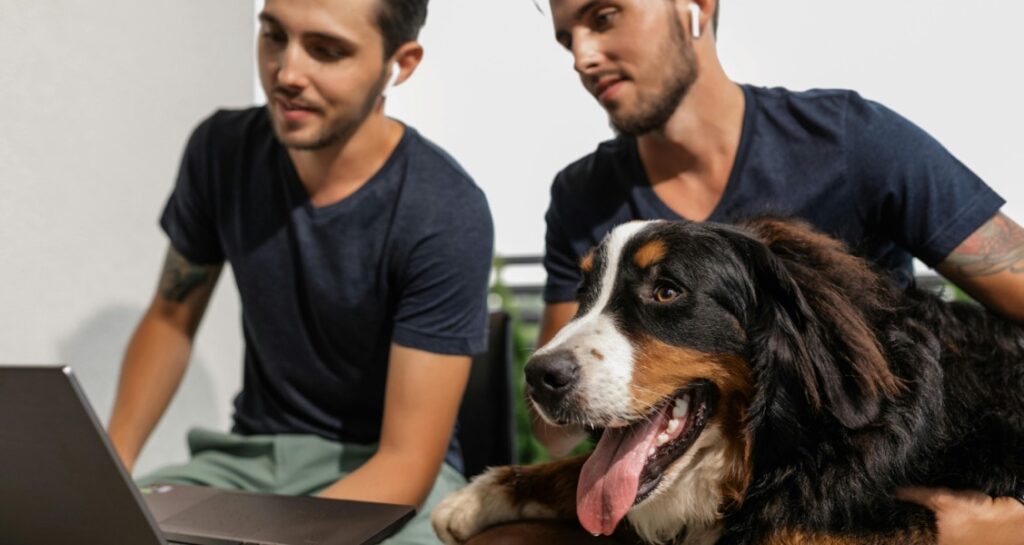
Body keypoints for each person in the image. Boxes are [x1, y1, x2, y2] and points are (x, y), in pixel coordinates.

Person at [496, 0, 1024, 543]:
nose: (583, 57)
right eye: (567, 39)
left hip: (856, 491)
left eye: (604, 17)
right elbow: (557, 419)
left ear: (694, 7)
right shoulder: (581, 195)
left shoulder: (851, 141)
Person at [106, 1, 493, 544]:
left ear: (400, 64)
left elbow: (407, 462)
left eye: (327, 51)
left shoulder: (445, 211)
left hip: (388, 478)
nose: (287, 73)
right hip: (246, 464)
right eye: (273, 35)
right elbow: (170, 317)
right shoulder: (221, 152)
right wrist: (108, 472)